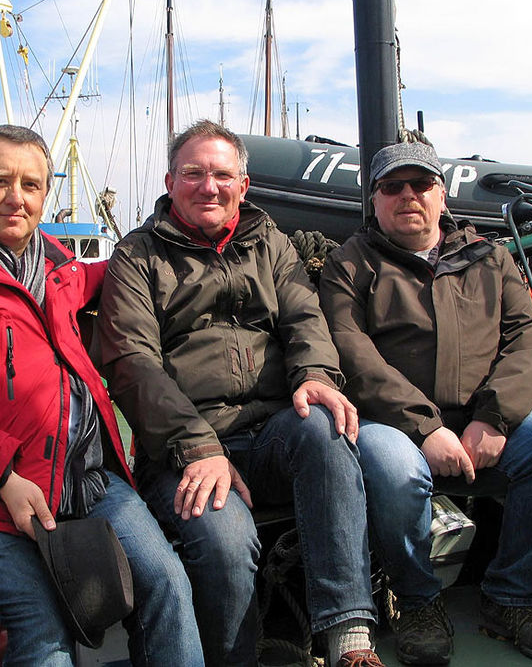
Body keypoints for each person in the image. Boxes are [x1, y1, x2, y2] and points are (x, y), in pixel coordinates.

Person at [0, 124, 204, 666]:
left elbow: (111, 273)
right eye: (0, 181)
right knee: (40, 623)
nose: (17, 197)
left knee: (167, 583)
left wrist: (175, 251)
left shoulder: (57, 265)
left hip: (86, 477)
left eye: (32, 185)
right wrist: (3, 475)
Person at [97, 119, 384, 667]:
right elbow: (133, 365)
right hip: (186, 450)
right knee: (224, 544)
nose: (209, 187)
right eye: (194, 174)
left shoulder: (271, 243)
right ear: (170, 180)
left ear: (243, 185)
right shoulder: (137, 258)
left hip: (274, 431)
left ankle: (349, 639)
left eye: (222, 175)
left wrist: (315, 377)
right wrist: (196, 445)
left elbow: (305, 320)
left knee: (325, 428)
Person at [318, 140, 532, 665]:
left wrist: (493, 417)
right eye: (392, 187)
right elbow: (354, 356)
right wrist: (427, 429)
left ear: (442, 195)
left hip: (484, 416)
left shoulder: (492, 258)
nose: (407, 196)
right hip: (394, 425)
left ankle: (513, 596)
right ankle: (419, 601)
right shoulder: (348, 265)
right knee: (392, 468)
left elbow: (529, 341)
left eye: (421, 184)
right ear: (374, 201)